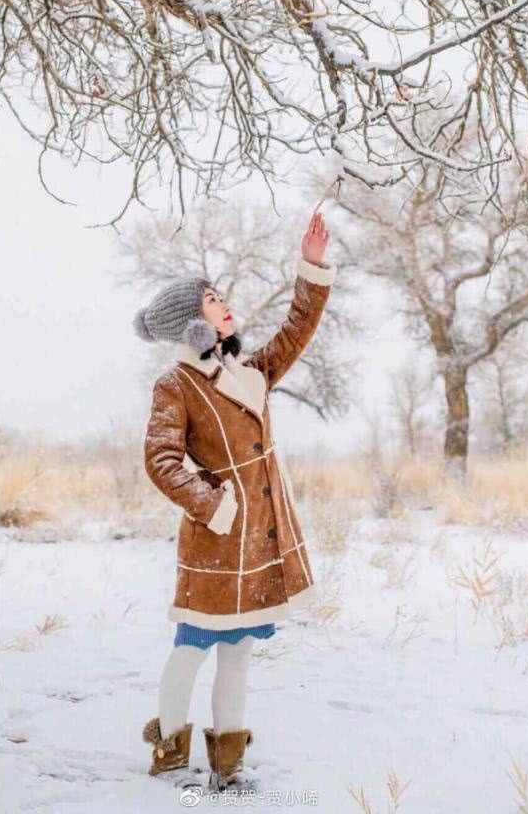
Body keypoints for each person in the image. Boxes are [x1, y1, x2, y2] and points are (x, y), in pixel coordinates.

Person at [134, 210, 336, 790]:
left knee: (241, 650)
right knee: (192, 647)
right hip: (217, 539)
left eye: (221, 296)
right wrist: (217, 505)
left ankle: (228, 762)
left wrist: (311, 267)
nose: (225, 304)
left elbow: (295, 333)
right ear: (191, 320)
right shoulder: (175, 384)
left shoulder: (243, 371)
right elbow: (161, 461)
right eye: (212, 299)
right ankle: (170, 752)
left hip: (258, 538)